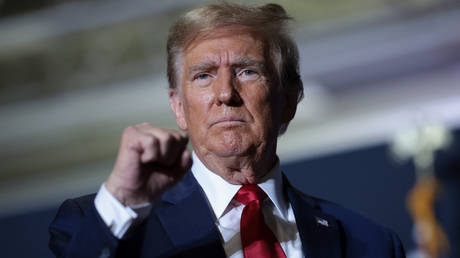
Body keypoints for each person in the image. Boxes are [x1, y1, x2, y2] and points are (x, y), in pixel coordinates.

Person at [49, 3, 406, 258]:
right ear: (178, 107)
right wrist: (121, 202)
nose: (225, 93)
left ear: (289, 100)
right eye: (203, 75)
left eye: (247, 71)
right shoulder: (104, 226)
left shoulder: (370, 244)